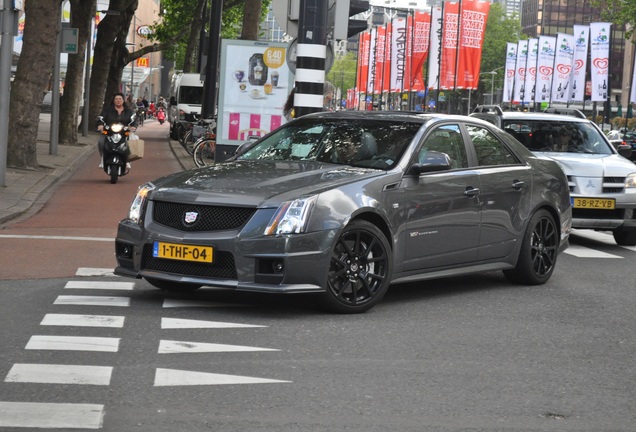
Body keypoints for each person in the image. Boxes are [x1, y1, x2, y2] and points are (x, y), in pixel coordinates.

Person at [97, 92, 137, 169]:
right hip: (109, 130)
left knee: (131, 141)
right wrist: (100, 125)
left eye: (120, 99)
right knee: (101, 141)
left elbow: (134, 119)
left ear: (123, 100)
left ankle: (128, 160)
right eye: (116, 99)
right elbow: (101, 117)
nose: (118, 100)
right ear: (113, 101)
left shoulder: (128, 111)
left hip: (124, 130)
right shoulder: (108, 110)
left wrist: (133, 126)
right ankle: (102, 159)